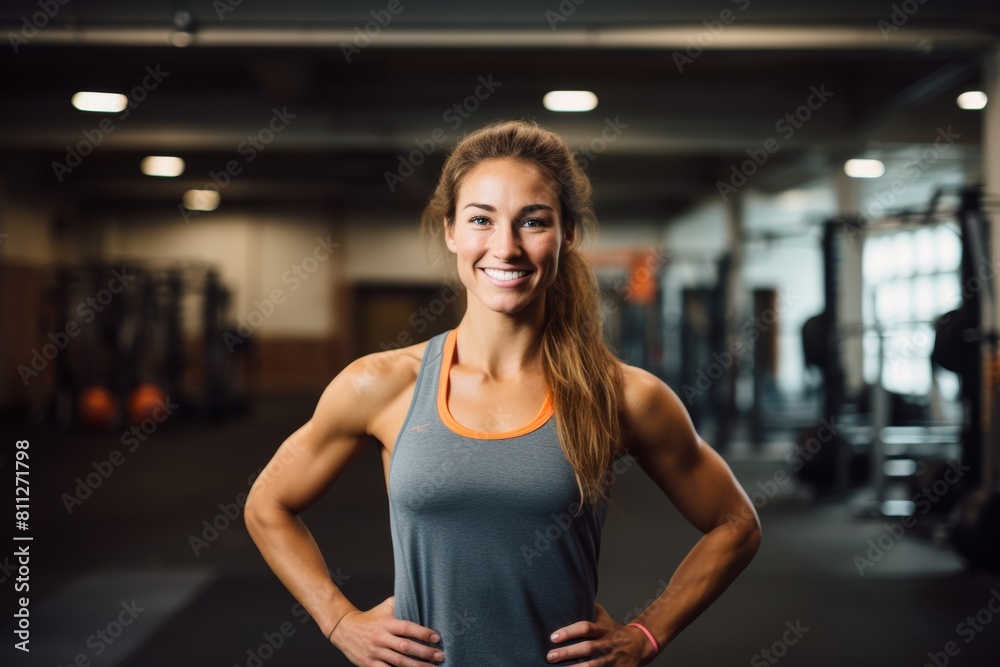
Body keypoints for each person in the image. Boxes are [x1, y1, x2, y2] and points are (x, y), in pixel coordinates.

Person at [244, 119, 762, 666]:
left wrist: (646, 635)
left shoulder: (623, 395)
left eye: (533, 222)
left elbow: (736, 523)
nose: (506, 247)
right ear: (451, 231)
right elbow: (267, 504)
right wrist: (339, 620)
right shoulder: (382, 384)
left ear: (568, 235)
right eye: (480, 220)